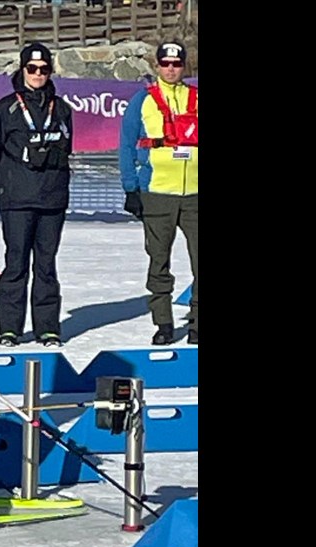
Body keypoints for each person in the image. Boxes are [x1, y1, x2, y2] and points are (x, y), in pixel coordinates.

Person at [0, 42, 73, 349]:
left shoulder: (60, 108)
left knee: (46, 265)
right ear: (23, 70)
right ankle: (10, 329)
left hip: (52, 200)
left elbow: (66, 149)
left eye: (44, 69)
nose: (38, 74)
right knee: (16, 263)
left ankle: (47, 328)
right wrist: (7, 181)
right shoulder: (5, 108)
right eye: (32, 69)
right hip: (17, 200)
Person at [118, 40, 198, 345]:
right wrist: (131, 188)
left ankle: (196, 324)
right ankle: (163, 323)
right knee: (159, 261)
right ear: (158, 66)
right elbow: (126, 146)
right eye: (165, 63)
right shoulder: (142, 101)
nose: (171, 69)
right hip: (157, 193)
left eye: (176, 64)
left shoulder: (195, 98)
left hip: (194, 194)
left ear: (184, 66)